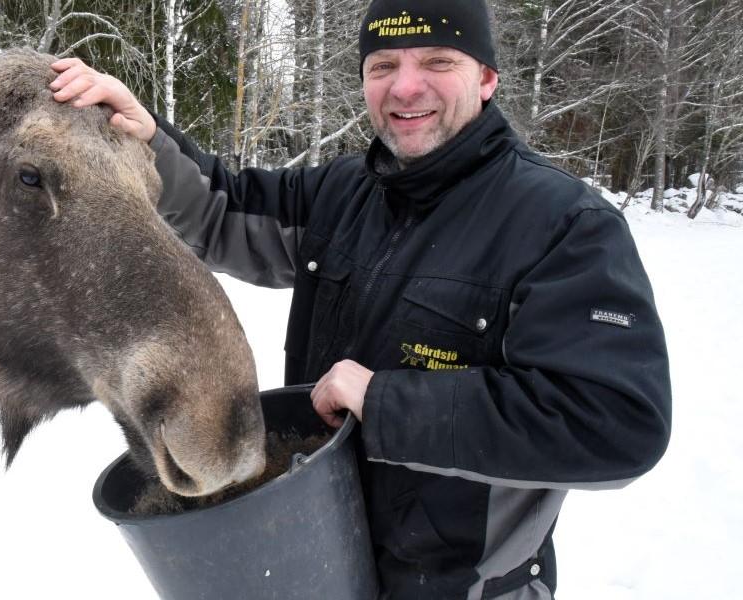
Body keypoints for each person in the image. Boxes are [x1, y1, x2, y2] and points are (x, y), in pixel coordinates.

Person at [49, 0, 672, 597]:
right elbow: (222, 209)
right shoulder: (345, 192)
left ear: (485, 78)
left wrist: (387, 403)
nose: (405, 88)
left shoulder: (562, 224)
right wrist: (148, 137)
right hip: (314, 559)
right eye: (383, 66)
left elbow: (616, 423)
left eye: (436, 62)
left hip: (464, 590)